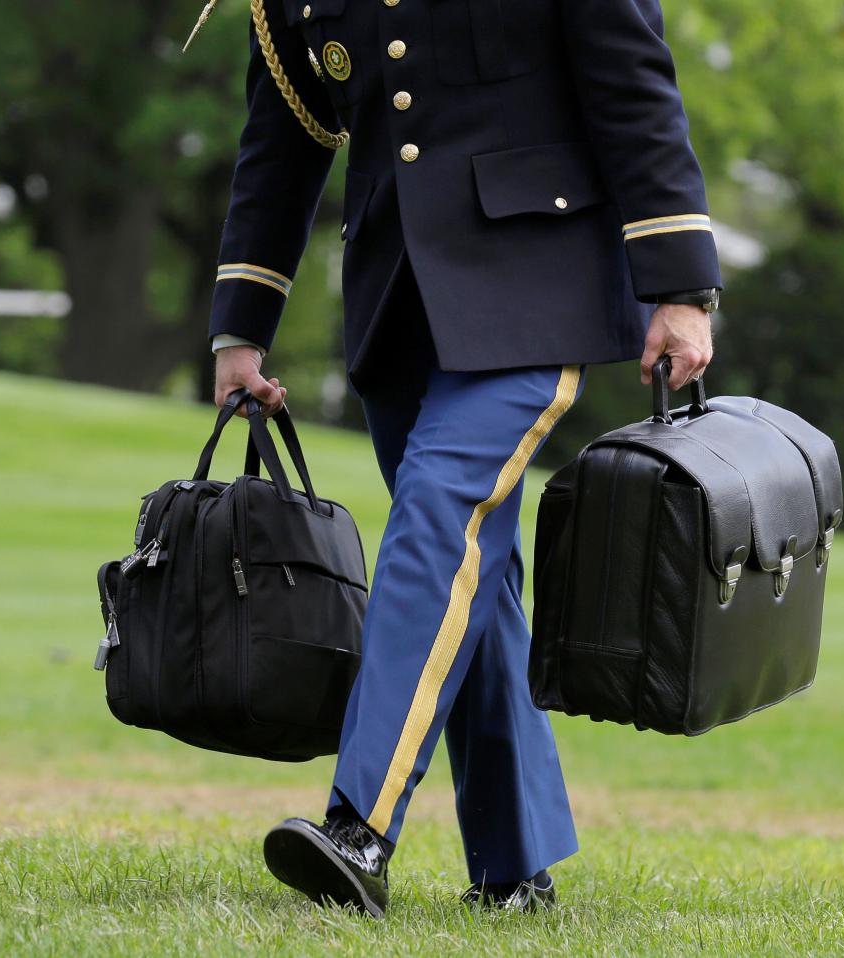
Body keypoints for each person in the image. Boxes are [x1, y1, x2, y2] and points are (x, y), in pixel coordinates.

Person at [204, 0, 722, 917]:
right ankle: (517, 868)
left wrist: (681, 285)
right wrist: (240, 329)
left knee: (438, 521)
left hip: (536, 275)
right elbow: (282, 142)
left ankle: (359, 824)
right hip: (398, 293)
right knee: (470, 567)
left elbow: (632, 87)